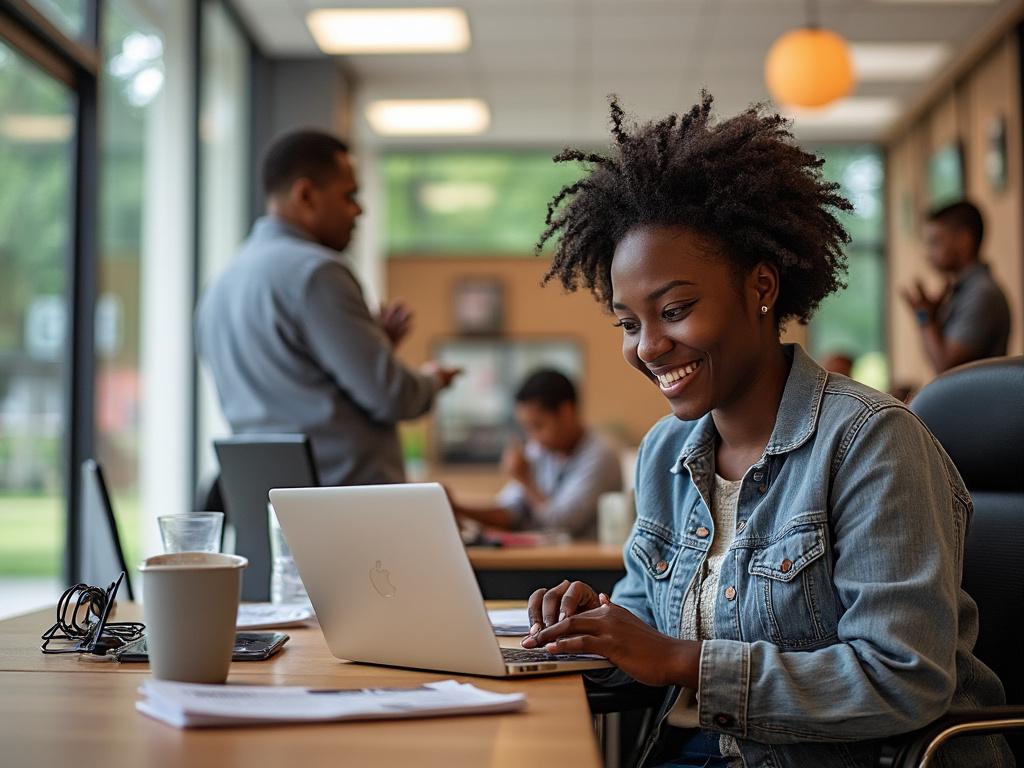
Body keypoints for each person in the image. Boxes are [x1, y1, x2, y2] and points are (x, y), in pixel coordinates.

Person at [518, 94, 1011, 767]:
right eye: (630, 324)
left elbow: (904, 677)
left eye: (675, 309)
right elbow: (643, 637)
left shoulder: (871, 442)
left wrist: (681, 660)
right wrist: (585, 631)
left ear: (761, 287)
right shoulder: (666, 451)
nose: (650, 346)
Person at [196, 129, 458, 486]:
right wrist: (432, 380)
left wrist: (375, 348)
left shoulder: (221, 285)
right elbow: (391, 396)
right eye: (349, 195)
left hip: (271, 505)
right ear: (305, 195)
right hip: (341, 511)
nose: (359, 210)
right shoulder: (317, 273)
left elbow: (294, 387)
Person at [450, 369, 623, 540]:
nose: (532, 438)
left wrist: (526, 480)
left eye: (538, 426)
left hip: (588, 563)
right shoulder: (541, 450)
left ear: (566, 412)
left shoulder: (601, 454)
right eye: (526, 428)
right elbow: (511, 511)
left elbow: (562, 523)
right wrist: (457, 508)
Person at [901, 200, 1011, 373]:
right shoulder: (963, 290)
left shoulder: (981, 293)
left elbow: (945, 365)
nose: (928, 253)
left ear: (963, 240)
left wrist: (925, 318)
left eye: (935, 241)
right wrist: (933, 319)